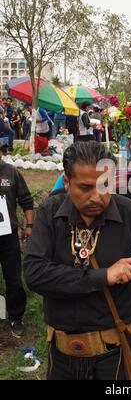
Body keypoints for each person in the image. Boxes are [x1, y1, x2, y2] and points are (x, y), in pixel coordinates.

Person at [24, 141, 131, 381]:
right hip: (62, 352)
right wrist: (103, 276)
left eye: (104, 186)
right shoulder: (50, 213)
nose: (96, 197)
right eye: (85, 187)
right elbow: (34, 274)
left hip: (116, 352)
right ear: (67, 182)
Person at [0, 140, 34, 338]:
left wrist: (29, 225)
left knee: (13, 278)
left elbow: (26, 200)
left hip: (8, 235)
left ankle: (16, 317)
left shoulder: (11, 173)